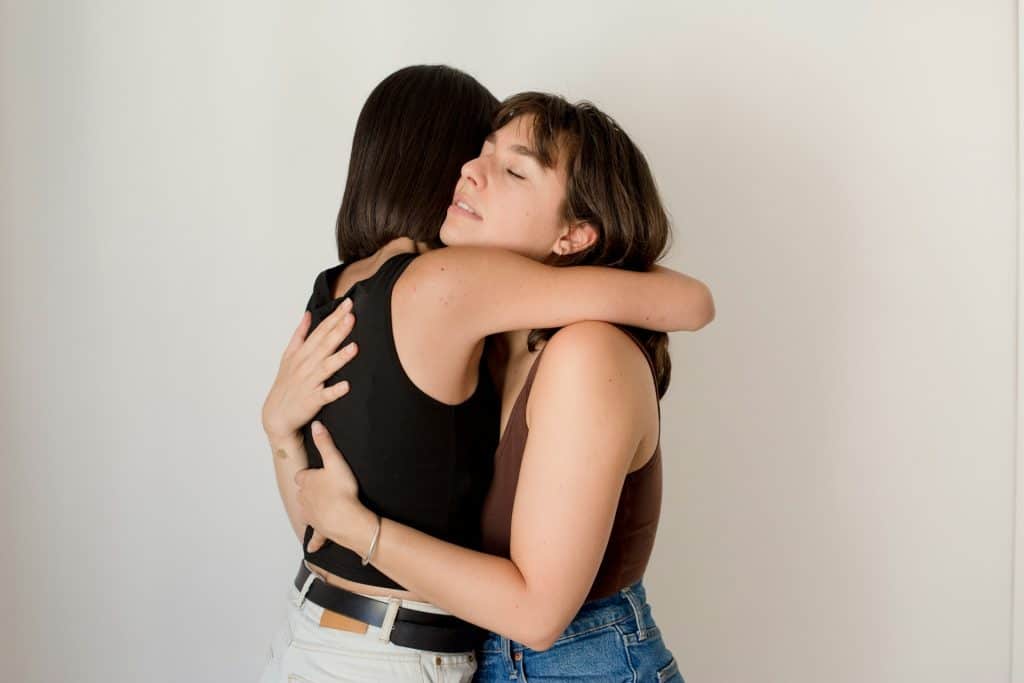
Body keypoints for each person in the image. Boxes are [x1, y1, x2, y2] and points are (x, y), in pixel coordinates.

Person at [260, 68, 712, 682]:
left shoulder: (586, 353)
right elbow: (327, 533)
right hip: (484, 657)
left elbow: (538, 615)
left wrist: (362, 530)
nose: (471, 171)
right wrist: (282, 432)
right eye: (480, 153)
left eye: (514, 169)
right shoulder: (486, 347)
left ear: (575, 235)